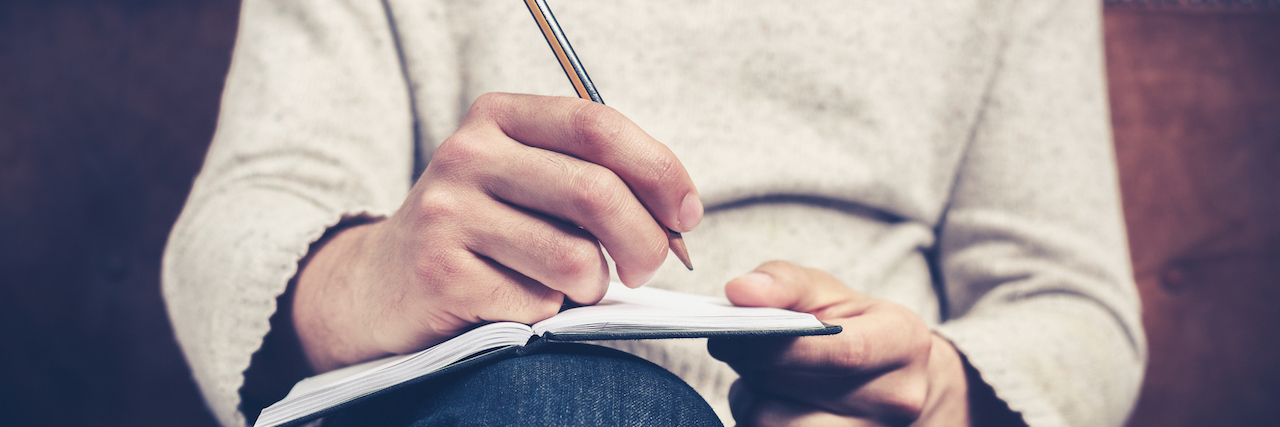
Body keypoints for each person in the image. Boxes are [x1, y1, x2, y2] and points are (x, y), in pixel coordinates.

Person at [162, 1, 1146, 426]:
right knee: (580, 408)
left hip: (851, 420)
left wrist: (936, 389)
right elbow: (243, 212)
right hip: (506, 399)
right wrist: (362, 279)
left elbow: (1069, 300)